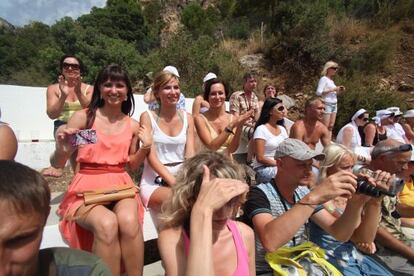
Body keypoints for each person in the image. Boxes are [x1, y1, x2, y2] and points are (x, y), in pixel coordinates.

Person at [57, 64, 149, 276]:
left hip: (121, 184)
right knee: (106, 224)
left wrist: (146, 146)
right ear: (99, 88)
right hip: (86, 184)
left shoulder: (132, 125)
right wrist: (62, 149)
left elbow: (132, 164)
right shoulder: (85, 119)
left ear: (127, 92)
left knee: (128, 221)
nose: (114, 90)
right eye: (108, 85)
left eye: (119, 85)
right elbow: (62, 157)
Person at [243, 138, 373, 275]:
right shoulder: (259, 193)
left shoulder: (302, 193)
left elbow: (339, 233)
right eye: (301, 165)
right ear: (280, 164)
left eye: (310, 165)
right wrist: (314, 197)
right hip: (267, 270)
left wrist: (356, 203)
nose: (308, 171)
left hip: (297, 267)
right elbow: (270, 242)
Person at [0, 160, 111, 275]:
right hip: (83, 191)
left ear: (44, 217)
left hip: (114, 187)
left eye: (19, 240)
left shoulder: (85, 271)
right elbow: (58, 160)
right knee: (107, 224)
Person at [158, 151, 255, 276]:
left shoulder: (245, 234)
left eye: (230, 200)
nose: (223, 212)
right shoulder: (173, 239)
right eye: (214, 202)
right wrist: (203, 212)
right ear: (190, 199)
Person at [309, 143, 393, 275]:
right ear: (327, 168)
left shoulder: (351, 194)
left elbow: (365, 238)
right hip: (328, 259)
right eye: (344, 168)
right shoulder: (318, 196)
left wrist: (376, 200)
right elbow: (350, 235)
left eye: (352, 167)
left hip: (353, 257)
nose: (351, 173)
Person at [139, 70, 195, 211]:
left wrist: (188, 180)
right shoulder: (147, 117)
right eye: (167, 88)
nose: (173, 92)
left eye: (176, 87)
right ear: (157, 93)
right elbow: (151, 158)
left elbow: (190, 155)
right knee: (184, 200)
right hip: (154, 180)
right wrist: (175, 183)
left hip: (182, 177)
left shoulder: (187, 118)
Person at [42, 54, 93, 177]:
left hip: (84, 127)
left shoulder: (89, 89)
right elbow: (52, 114)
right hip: (64, 127)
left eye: (74, 66)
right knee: (67, 135)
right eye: (66, 65)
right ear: (61, 69)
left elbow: (92, 110)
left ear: (80, 70)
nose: (70, 68)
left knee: (79, 167)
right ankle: (59, 161)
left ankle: (58, 161)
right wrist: (63, 96)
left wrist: (78, 92)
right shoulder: (53, 89)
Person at [368, 139, 414, 275]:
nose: (405, 168)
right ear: (382, 158)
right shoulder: (367, 182)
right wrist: (411, 253)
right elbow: (377, 231)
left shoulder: (388, 178)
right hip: (383, 250)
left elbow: (394, 210)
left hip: (400, 240)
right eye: (401, 162)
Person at [194, 78, 252, 158]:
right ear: (207, 97)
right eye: (213, 94)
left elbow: (232, 149)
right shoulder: (200, 119)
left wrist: (240, 125)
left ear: (225, 95)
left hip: (227, 165)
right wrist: (231, 125)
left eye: (220, 93)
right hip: (208, 164)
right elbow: (212, 147)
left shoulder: (232, 118)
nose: (217, 97)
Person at [251, 97, 288, 184]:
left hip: (280, 166)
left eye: (284, 108)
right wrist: (280, 164)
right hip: (263, 168)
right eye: (280, 108)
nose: (283, 111)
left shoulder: (282, 129)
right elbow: (260, 158)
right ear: (270, 111)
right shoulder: (261, 129)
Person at [316, 61, 345, 139]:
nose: (335, 70)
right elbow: (319, 92)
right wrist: (333, 89)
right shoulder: (324, 79)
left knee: (331, 125)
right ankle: (321, 140)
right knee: (325, 125)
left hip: (334, 104)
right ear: (328, 68)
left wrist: (338, 91)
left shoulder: (331, 81)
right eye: (334, 68)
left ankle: (327, 141)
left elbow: (334, 93)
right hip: (327, 103)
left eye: (336, 69)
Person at [229, 72, 260, 141]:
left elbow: (257, 114)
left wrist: (258, 124)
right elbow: (235, 118)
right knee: (257, 133)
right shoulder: (236, 96)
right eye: (251, 81)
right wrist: (252, 125)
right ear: (244, 83)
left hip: (252, 125)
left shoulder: (255, 97)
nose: (254, 84)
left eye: (255, 81)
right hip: (240, 126)